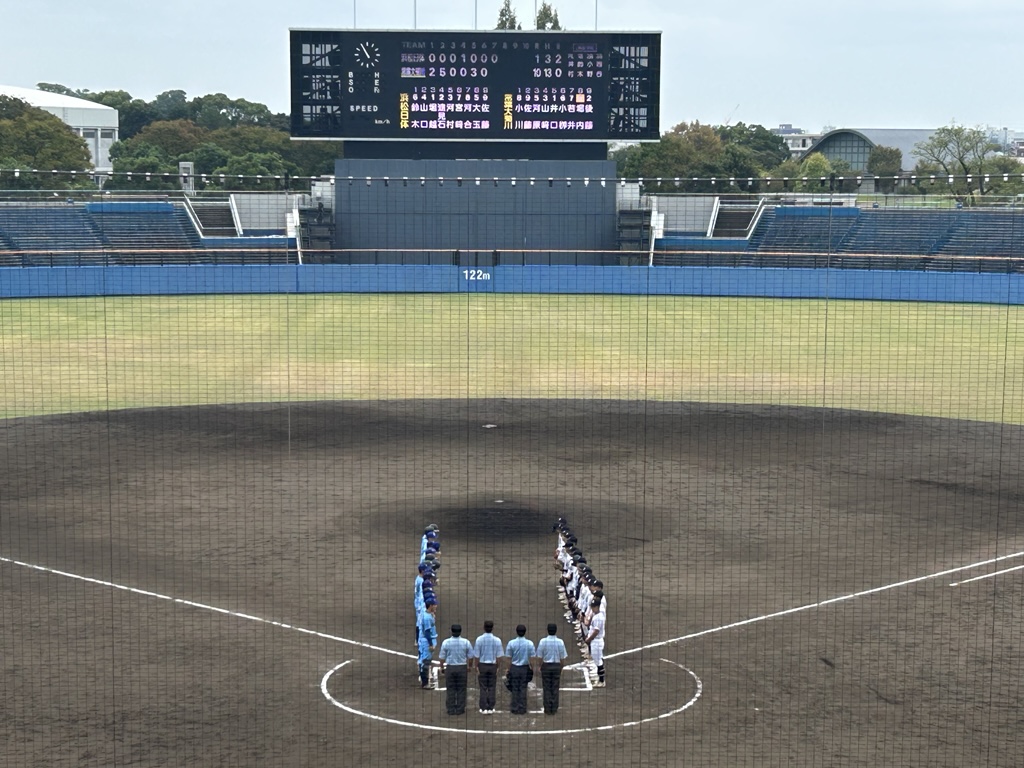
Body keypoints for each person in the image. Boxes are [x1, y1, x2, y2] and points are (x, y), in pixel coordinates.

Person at [438, 624, 474, 715]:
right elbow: (470, 657)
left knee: (451, 688)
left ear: (451, 631)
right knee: (461, 689)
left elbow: (442, 657)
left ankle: (450, 708)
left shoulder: (446, 642)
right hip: (462, 667)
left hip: (450, 667)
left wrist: (442, 667)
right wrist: (469, 667)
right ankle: (460, 709)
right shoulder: (466, 642)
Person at [534, 623, 568, 714]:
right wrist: (561, 667)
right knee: (555, 687)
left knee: (547, 687)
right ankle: (554, 708)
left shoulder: (543, 641)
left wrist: (540, 666)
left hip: (546, 666)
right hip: (556, 666)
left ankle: (547, 708)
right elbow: (562, 658)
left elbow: (540, 657)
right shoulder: (560, 642)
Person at [472, 620, 504, 714]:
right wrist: (497, 667)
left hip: (482, 665)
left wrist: (476, 666)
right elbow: (499, 657)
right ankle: (490, 707)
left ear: (484, 627)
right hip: (493, 665)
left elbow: (477, 656)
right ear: (492, 628)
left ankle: (483, 707)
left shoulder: (479, 639)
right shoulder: (497, 640)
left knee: (482, 687)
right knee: (492, 687)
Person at [504, 624, 536, 715]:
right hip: (525, 668)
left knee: (514, 688)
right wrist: (532, 668)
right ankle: (522, 708)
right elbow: (532, 658)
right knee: (523, 688)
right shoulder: (529, 643)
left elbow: (509, 658)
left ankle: (514, 707)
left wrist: (508, 669)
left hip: (514, 668)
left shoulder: (511, 643)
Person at [584, 598, 606, 688]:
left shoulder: (599, 617)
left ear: (598, 606)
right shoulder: (596, 615)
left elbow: (596, 631)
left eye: (594, 607)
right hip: (595, 640)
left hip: (596, 641)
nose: (593, 609)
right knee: (597, 659)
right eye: (592, 607)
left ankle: (601, 681)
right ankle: (600, 679)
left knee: (598, 661)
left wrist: (589, 639)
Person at [417, 601, 438, 689]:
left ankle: (424, 681)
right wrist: (430, 644)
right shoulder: (427, 618)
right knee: (426, 662)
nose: (436, 606)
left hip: (424, 640)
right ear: (430, 606)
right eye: (434, 605)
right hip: (426, 641)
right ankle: (425, 683)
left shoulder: (428, 614)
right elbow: (427, 632)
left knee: (423, 661)